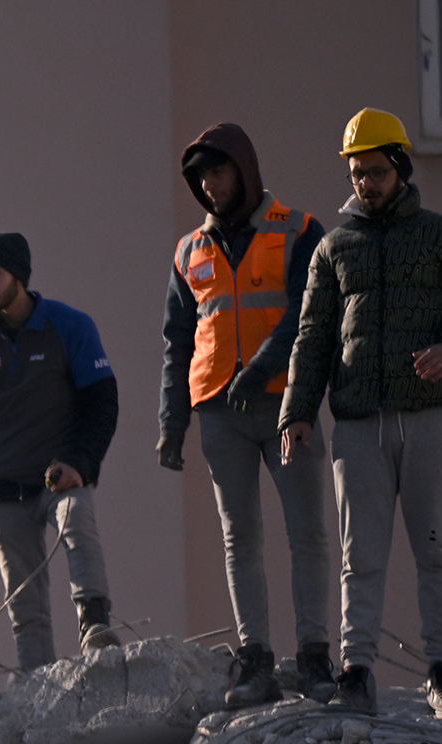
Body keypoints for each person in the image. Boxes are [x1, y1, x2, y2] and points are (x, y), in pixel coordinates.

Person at [283, 109, 442, 721]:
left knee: (436, 547)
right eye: (358, 173)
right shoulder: (333, 249)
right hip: (357, 424)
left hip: (431, 418)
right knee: (362, 555)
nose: (366, 184)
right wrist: (296, 412)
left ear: (401, 169)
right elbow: (312, 335)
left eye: (377, 172)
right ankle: (357, 673)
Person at [157, 127, 334, 710]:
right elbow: (178, 340)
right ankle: (254, 659)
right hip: (219, 412)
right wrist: (172, 420)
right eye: (200, 177)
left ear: (245, 170)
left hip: (288, 404)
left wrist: (261, 370)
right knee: (240, 539)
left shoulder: (299, 231)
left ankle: (314, 658)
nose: (209, 185)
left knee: (306, 532)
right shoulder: (190, 251)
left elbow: (311, 316)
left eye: (219, 172)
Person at [0, 234, 123, 670]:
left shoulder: (69, 326)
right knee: (23, 603)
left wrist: (79, 463)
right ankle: (38, 691)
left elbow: (103, 404)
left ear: (19, 278)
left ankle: (94, 625)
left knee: (76, 520)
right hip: (3, 489)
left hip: (58, 475)